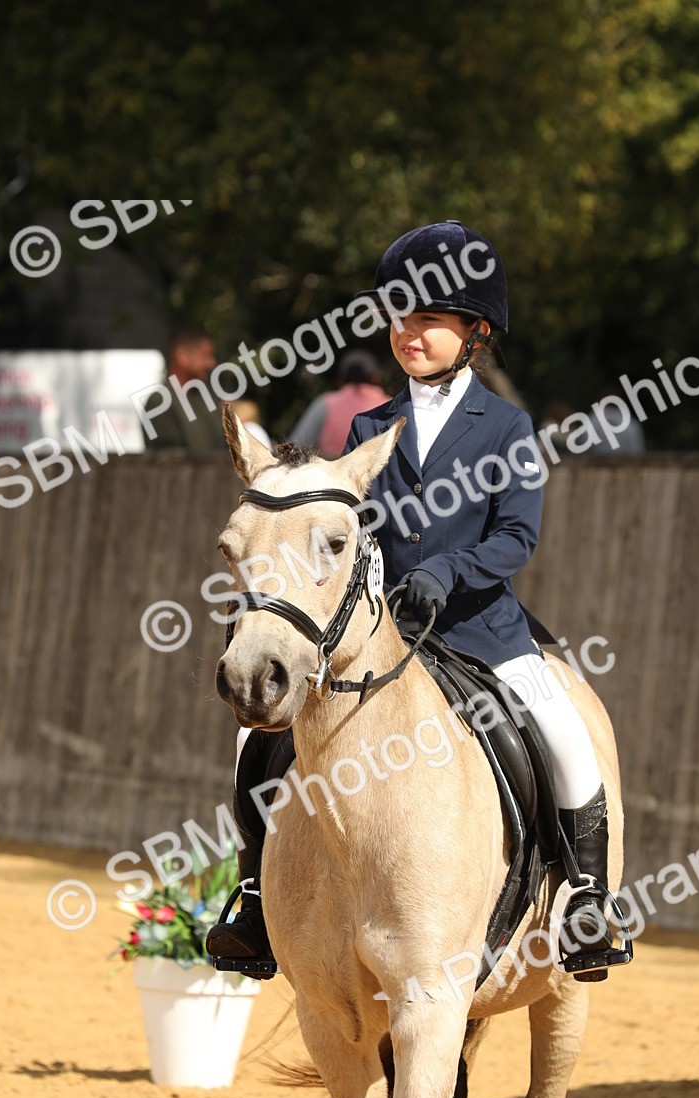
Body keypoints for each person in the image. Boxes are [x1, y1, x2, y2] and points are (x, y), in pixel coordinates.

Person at [206, 220, 619, 983]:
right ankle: (256, 896)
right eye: (400, 316)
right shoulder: (367, 428)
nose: (408, 332)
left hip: (481, 628)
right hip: (382, 634)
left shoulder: (506, 427)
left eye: (429, 319)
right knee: (255, 736)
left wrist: (453, 570)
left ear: (476, 331)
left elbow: (517, 537)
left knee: (563, 732)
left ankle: (585, 900)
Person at [290, 349, 391, 457]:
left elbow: (295, 449)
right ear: (376, 377)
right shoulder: (392, 406)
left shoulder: (326, 403)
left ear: (340, 378)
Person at [143, 327, 227, 452]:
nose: (211, 364)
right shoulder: (159, 403)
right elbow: (169, 462)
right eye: (205, 356)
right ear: (182, 356)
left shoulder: (205, 399)